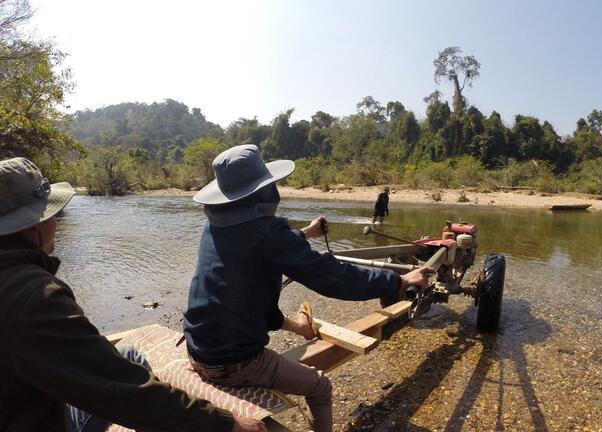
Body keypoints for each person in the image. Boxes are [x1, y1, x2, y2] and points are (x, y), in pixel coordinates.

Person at [0, 157, 264, 432]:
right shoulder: (34, 298)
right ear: (35, 225)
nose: (55, 222)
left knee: (127, 354)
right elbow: (127, 391)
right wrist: (224, 424)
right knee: (129, 377)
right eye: (52, 215)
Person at [183, 145, 431, 432]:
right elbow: (333, 278)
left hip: (197, 352)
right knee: (320, 387)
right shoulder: (269, 235)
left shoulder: (214, 228)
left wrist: (306, 233)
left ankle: (300, 327)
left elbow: (261, 246)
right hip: (235, 364)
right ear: (263, 192)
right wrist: (398, 281)